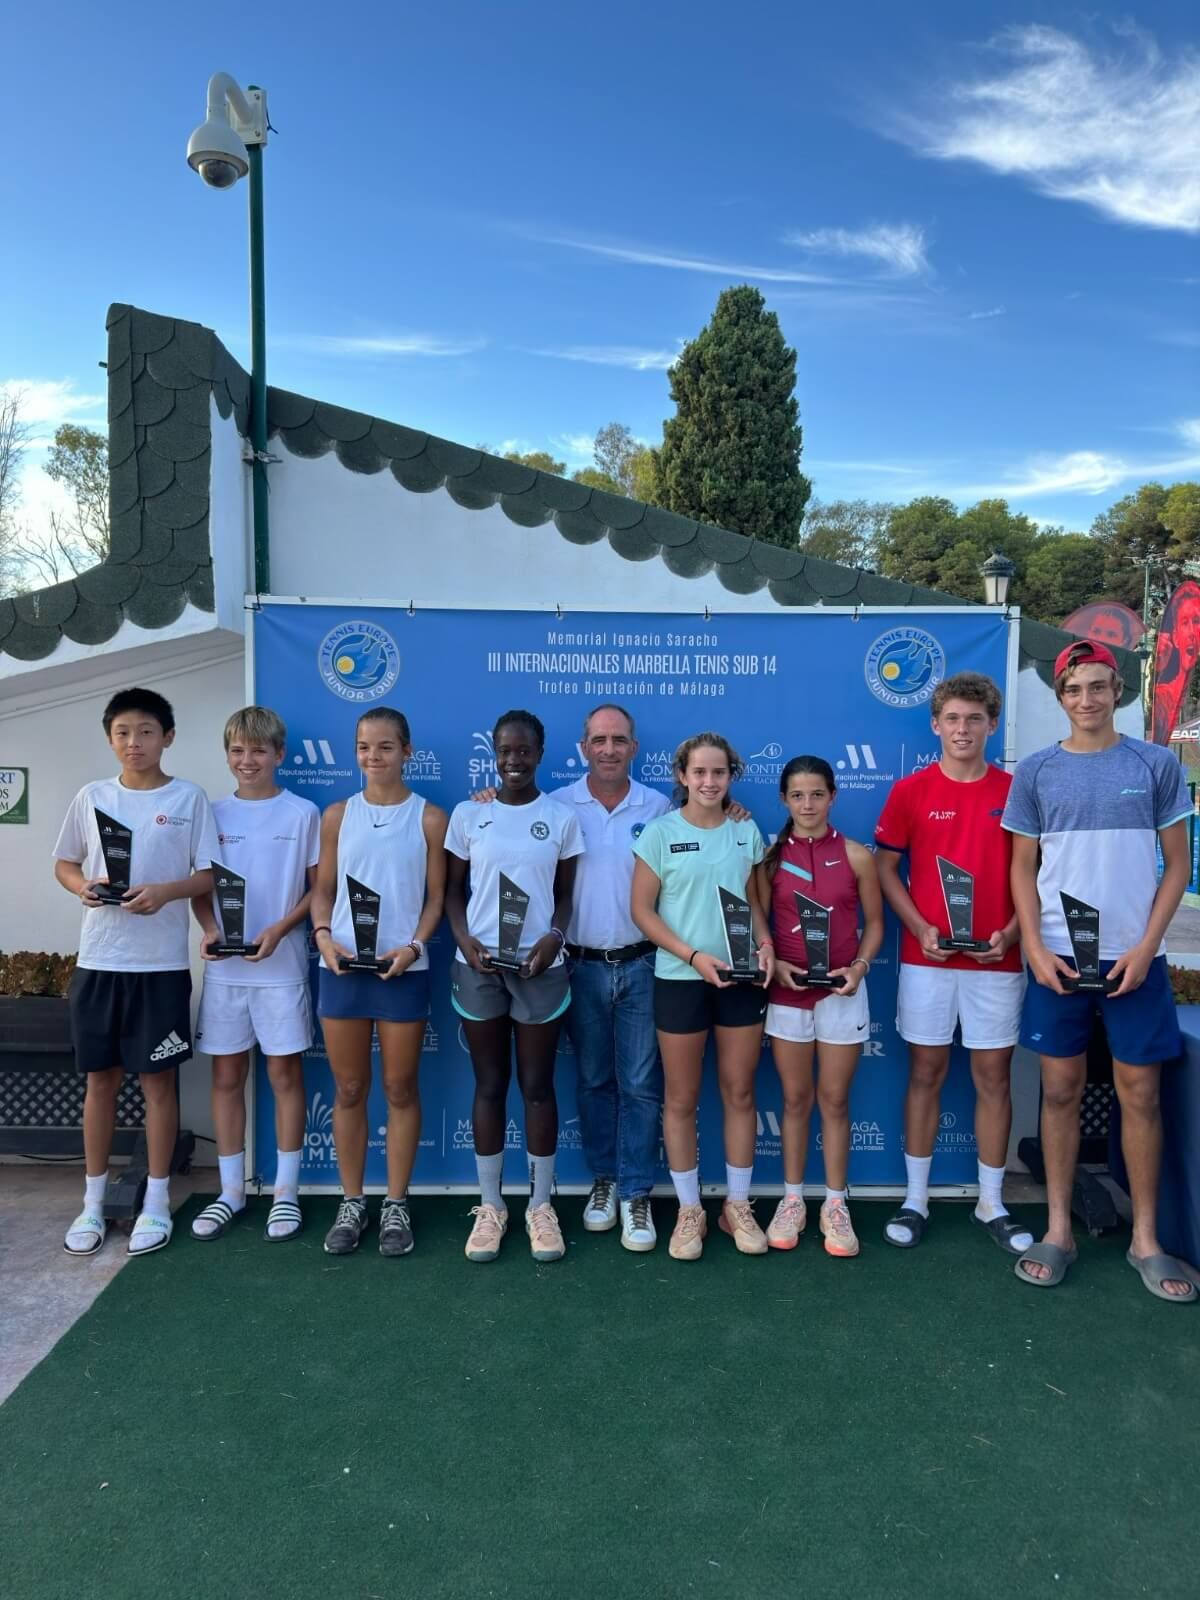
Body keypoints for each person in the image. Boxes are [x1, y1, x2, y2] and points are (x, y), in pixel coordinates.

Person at [1005, 639, 1197, 1302]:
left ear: (1118, 692)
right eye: (1074, 688)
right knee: (1058, 1093)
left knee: (1139, 1095)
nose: (1087, 699)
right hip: (1058, 959)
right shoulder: (1034, 772)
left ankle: (1147, 1240)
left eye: (1098, 686)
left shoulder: (1153, 765)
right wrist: (1034, 944)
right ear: (1060, 698)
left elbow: (1177, 865)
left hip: (1135, 960)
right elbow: (1021, 869)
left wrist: (1147, 947)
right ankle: (1058, 1230)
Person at [53, 687, 218, 1256]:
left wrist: (165, 893)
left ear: (167, 737)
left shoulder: (190, 798)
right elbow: (65, 862)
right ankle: (93, 1203)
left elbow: (207, 875)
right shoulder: (91, 796)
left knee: (158, 1085)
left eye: (146, 731)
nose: (134, 742)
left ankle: (155, 1201)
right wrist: (84, 889)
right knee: (100, 1082)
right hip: (99, 962)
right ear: (110, 739)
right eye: (123, 732)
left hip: (161, 967)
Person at [874, 672, 1031, 1255]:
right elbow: (887, 868)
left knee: (994, 1078)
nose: (963, 729)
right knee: (926, 1074)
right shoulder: (910, 791)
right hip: (927, 960)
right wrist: (918, 926)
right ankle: (916, 1198)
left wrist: (1014, 932)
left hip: (998, 961)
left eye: (974, 719)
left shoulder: (1018, 790)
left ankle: (991, 1200)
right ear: (935, 725)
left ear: (992, 725)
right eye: (953, 719)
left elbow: (1035, 874)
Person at [445, 710, 583, 1264]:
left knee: (538, 1086)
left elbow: (567, 895)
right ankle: (490, 1206)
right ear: (494, 754)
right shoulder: (467, 815)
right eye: (505, 751)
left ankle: (540, 1206)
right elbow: (452, 892)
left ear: (540, 752)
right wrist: (465, 939)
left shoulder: (561, 817)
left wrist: (554, 936)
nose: (514, 761)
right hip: (478, 966)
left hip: (539, 969)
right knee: (489, 1084)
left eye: (524, 751)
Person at [309, 707, 447, 1257]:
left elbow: (437, 899)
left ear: (407, 751)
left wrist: (413, 947)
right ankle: (351, 1201)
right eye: (365, 747)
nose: (374, 756)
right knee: (347, 1089)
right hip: (341, 967)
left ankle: (395, 1203)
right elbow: (322, 888)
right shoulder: (337, 815)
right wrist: (323, 936)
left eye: (386, 747)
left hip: (401, 968)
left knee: (399, 1088)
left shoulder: (431, 818)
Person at [631, 733, 773, 1260]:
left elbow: (756, 904)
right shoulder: (659, 833)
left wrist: (764, 945)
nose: (710, 782)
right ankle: (690, 1209)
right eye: (700, 773)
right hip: (680, 978)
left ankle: (736, 1205)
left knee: (740, 1094)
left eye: (719, 773)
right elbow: (642, 911)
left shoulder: (745, 830)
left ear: (731, 776)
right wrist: (693, 957)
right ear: (683, 776)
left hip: (740, 981)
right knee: (681, 1099)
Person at [189, 706, 320, 1243]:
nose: (248, 761)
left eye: (259, 751)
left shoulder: (303, 812)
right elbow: (200, 888)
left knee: (285, 1078)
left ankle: (286, 1194)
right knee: (225, 1079)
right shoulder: (210, 813)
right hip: (226, 974)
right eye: (238, 751)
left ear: (279, 755)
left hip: (282, 969)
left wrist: (281, 930)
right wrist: (208, 928)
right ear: (227, 756)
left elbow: (319, 891)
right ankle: (231, 1192)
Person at [760, 757, 883, 1257]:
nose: (807, 804)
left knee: (834, 1102)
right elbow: (758, 921)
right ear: (784, 800)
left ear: (833, 796)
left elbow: (875, 925)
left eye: (816, 794)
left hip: (841, 992)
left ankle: (835, 1203)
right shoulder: (767, 858)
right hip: (787, 991)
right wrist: (772, 959)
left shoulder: (856, 855)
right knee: (794, 1101)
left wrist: (860, 967)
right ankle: (792, 1200)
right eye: (797, 795)